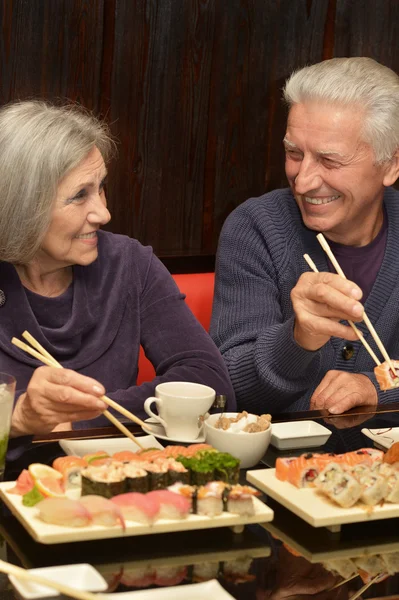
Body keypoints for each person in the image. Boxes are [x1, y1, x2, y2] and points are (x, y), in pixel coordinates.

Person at [0, 100, 235, 439]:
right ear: (22, 206)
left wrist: (77, 424)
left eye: (101, 188)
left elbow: (209, 381)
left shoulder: (129, 264)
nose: (103, 213)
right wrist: (18, 419)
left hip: (112, 476)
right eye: (79, 195)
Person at [210, 57, 399, 416]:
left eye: (329, 161)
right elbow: (228, 390)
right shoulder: (257, 227)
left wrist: (376, 388)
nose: (303, 180)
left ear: (390, 164)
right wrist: (298, 338)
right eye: (294, 153)